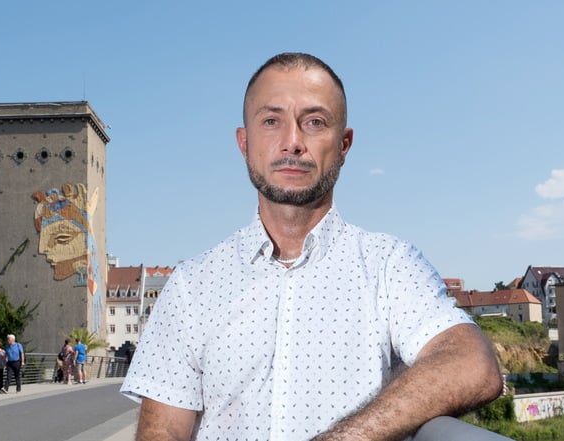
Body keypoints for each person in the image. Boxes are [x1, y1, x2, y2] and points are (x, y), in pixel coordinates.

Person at [120, 52, 503, 441]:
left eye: (315, 122)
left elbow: (473, 364)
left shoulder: (390, 265)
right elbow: (163, 432)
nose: (292, 142)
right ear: (244, 142)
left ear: (344, 144)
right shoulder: (191, 285)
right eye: (272, 121)